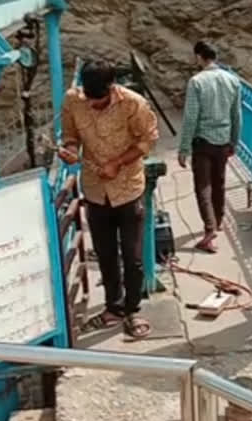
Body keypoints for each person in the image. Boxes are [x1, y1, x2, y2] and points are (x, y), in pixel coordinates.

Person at [58, 59, 159, 339]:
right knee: (105, 254)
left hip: (128, 188)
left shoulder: (133, 104)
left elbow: (148, 140)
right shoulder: (72, 101)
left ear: (111, 88)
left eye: (100, 102)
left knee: (133, 256)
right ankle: (113, 307)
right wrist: (69, 149)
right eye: (89, 100)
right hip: (94, 190)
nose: (93, 106)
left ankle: (133, 308)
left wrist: (118, 162)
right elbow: (70, 135)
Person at [178, 41, 242, 253]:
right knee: (219, 181)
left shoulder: (196, 82)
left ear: (199, 57)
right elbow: (237, 116)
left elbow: (190, 117)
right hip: (223, 139)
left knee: (203, 186)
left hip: (203, 141)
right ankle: (219, 220)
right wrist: (235, 140)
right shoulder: (232, 81)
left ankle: (209, 229)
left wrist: (184, 148)